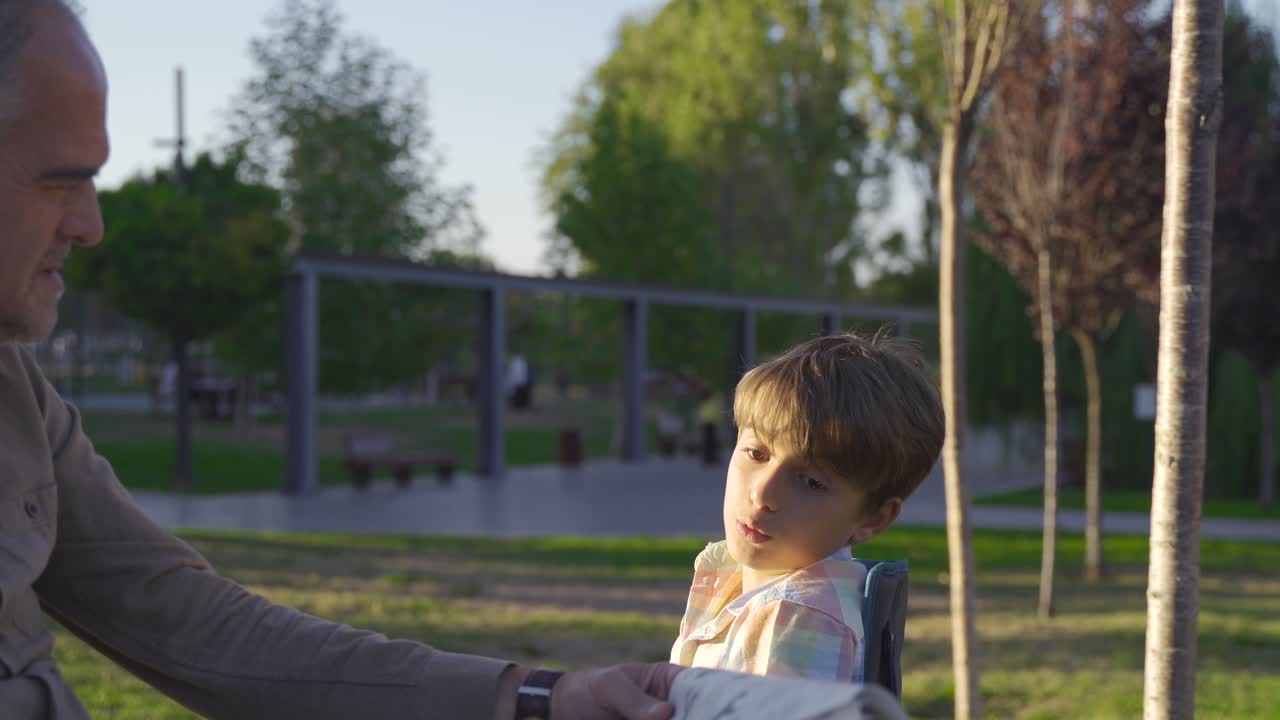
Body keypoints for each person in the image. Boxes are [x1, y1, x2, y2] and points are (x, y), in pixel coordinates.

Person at [0, 2, 679, 718]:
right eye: (58, 181)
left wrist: (541, 698)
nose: (91, 225)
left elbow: (192, 623)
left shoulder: (16, 392)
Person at [669, 332, 944, 682]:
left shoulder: (796, 618)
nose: (763, 492)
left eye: (812, 482)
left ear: (873, 517)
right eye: (757, 454)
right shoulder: (737, 575)